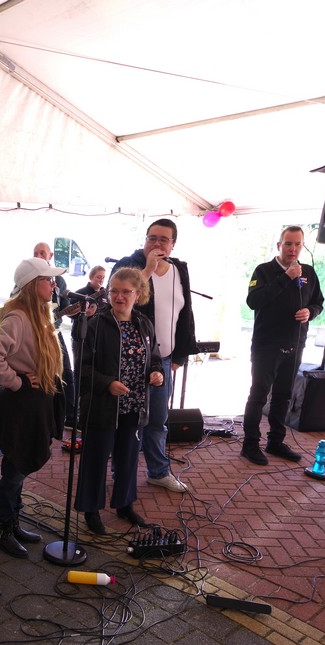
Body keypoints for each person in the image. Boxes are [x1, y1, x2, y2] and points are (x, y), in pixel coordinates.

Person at [0, 257, 65, 558]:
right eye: (47, 280)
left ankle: (12, 523)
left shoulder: (38, 316)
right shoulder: (19, 318)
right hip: (20, 407)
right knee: (14, 470)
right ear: (32, 285)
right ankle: (2, 530)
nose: (53, 284)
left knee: (19, 468)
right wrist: (17, 381)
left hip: (34, 405)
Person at [110, 218, 198, 491]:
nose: (156, 243)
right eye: (152, 238)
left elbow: (185, 313)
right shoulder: (129, 265)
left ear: (173, 244)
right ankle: (121, 473)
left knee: (158, 420)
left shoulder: (179, 269)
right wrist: (147, 270)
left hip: (165, 360)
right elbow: (118, 304)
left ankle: (158, 472)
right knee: (128, 422)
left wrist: (180, 355)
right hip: (131, 361)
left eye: (163, 239)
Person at [75, 267, 163, 533]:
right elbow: (82, 368)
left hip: (134, 406)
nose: (119, 297)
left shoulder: (144, 324)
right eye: (114, 291)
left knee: (128, 458)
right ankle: (91, 510)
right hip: (103, 406)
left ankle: (125, 504)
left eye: (126, 292)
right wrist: (107, 384)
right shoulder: (95, 325)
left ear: (138, 294)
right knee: (95, 459)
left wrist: (156, 372)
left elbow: (154, 356)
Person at [239, 226, 325, 465]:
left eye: (297, 244)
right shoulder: (264, 270)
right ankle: (250, 444)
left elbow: (319, 302)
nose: (293, 249)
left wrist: (310, 312)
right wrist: (286, 277)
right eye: (288, 244)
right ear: (279, 245)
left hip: (295, 344)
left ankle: (276, 441)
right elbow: (254, 301)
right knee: (259, 395)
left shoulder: (309, 272)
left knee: (283, 396)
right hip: (266, 345)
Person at [34, 241, 81, 428]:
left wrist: (74, 311)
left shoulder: (59, 280)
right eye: (36, 252)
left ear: (50, 256)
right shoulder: (28, 277)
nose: (38, 256)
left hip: (54, 331)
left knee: (66, 372)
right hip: (35, 333)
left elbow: (65, 307)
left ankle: (70, 416)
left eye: (42, 252)